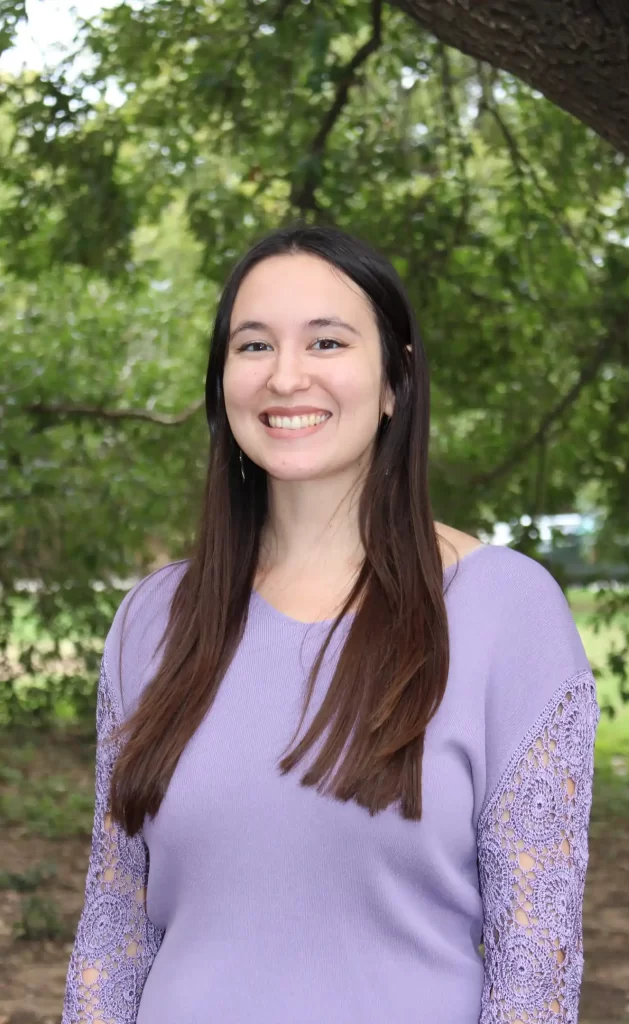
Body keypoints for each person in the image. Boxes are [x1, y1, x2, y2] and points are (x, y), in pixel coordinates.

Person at [61, 224, 600, 1024]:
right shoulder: (151, 621)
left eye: (326, 341)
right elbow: (114, 926)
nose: (285, 375)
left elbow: (533, 964)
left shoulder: (507, 611)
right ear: (221, 384)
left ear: (395, 381)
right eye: (252, 346)